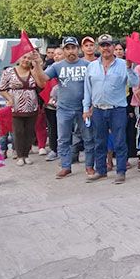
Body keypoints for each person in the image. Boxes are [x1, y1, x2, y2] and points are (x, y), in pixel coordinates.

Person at [32, 37, 95, 179]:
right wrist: (37, 64)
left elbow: (94, 86)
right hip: (63, 109)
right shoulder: (57, 66)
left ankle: (90, 166)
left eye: (73, 48)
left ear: (78, 49)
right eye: (67, 48)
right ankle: (66, 166)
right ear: (64, 50)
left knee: (88, 138)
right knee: (63, 139)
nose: (71, 51)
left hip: (83, 109)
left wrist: (91, 106)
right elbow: (42, 80)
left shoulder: (87, 65)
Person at [83, 34, 140, 185]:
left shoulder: (123, 64)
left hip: (117, 109)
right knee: (99, 142)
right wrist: (85, 108)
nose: (106, 48)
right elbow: (87, 89)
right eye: (103, 45)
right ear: (98, 48)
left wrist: (129, 68)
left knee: (120, 141)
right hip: (98, 110)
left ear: (113, 47)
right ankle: (101, 171)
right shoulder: (92, 66)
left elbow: (135, 82)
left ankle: (121, 171)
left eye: (108, 45)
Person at [0, 51, 41, 166]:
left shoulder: (32, 71)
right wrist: (9, 98)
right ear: (18, 58)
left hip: (32, 106)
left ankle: (26, 154)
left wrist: (36, 68)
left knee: (30, 132)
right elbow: (1, 88)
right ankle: (20, 155)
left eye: (28, 58)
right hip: (16, 107)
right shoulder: (9, 71)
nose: (26, 60)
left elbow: (41, 85)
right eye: (24, 57)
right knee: (18, 131)